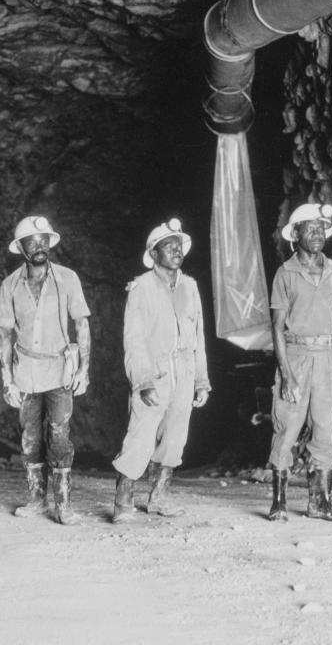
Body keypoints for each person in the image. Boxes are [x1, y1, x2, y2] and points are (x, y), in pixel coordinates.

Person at [0, 216, 92, 525]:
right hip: (25, 372)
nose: (39, 246)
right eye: (32, 241)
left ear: (50, 243)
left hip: (60, 369)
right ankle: (36, 499)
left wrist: (84, 369)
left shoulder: (67, 279)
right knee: (30, 438)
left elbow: (82, 324)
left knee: (60, 435)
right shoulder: (9, 284)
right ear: (20, 247)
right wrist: (7, 378)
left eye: (43, 240)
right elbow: (4, 335)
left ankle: (62, 503)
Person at [111, 218, 210, 524]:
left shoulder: (190, 287)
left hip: (184, 369)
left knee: (175, 436)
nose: (176, 249)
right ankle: (123, 499)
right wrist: (142, 380)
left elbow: (199, 337)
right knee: (141, 435)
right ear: (153, 254)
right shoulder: (141, 287)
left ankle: (159, 497)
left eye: (179, 244)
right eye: (168, 245)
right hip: (154, 371)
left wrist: (201, 380)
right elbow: (134, 339)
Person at [266, 202, 332, 522]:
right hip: (297, 355)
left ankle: (320, 501)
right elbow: (276, 327)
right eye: (310, 228)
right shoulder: (285, 273)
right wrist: (286, 374)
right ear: (296, 234)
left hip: (327, 356)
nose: (317, 234)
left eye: (321, 229)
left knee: (324, 428)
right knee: (287, 426)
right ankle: (278, 502)